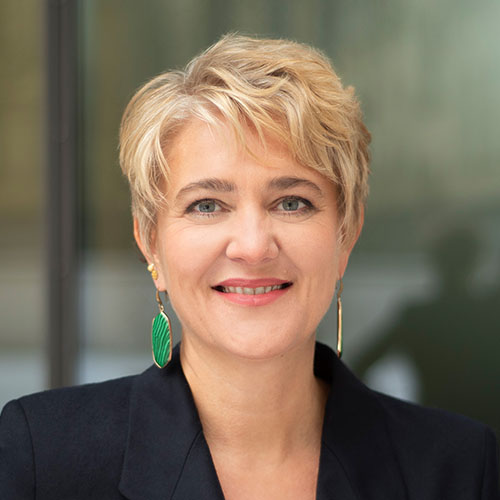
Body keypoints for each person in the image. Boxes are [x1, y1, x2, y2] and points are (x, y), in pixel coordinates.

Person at [0, 34, 498, 500]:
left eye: (292, 203)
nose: (254, 247)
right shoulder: (43, 457)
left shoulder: (460, 468)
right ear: (151, 243)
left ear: (345, 234)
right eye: (207, 205)